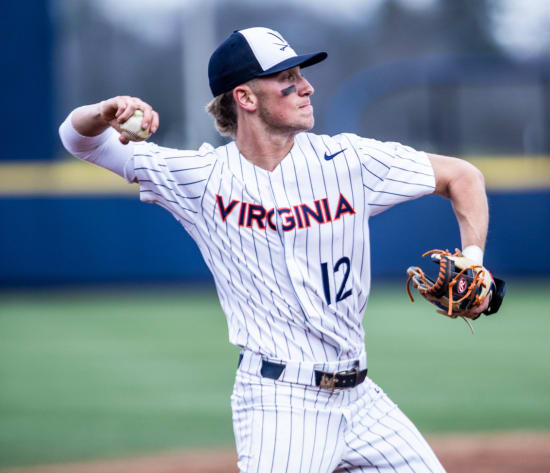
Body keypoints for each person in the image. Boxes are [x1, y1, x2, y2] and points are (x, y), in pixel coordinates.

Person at [59, 26, 490, 473]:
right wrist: (105, 111)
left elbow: (461, 176)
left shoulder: (350, 162)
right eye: (288, 79)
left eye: (301, 74)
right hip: (280, 403)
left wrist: (474, 260)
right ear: (245, 98)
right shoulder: (200, 178)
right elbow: (80, 141)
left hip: (362, 399)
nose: (307, 87)